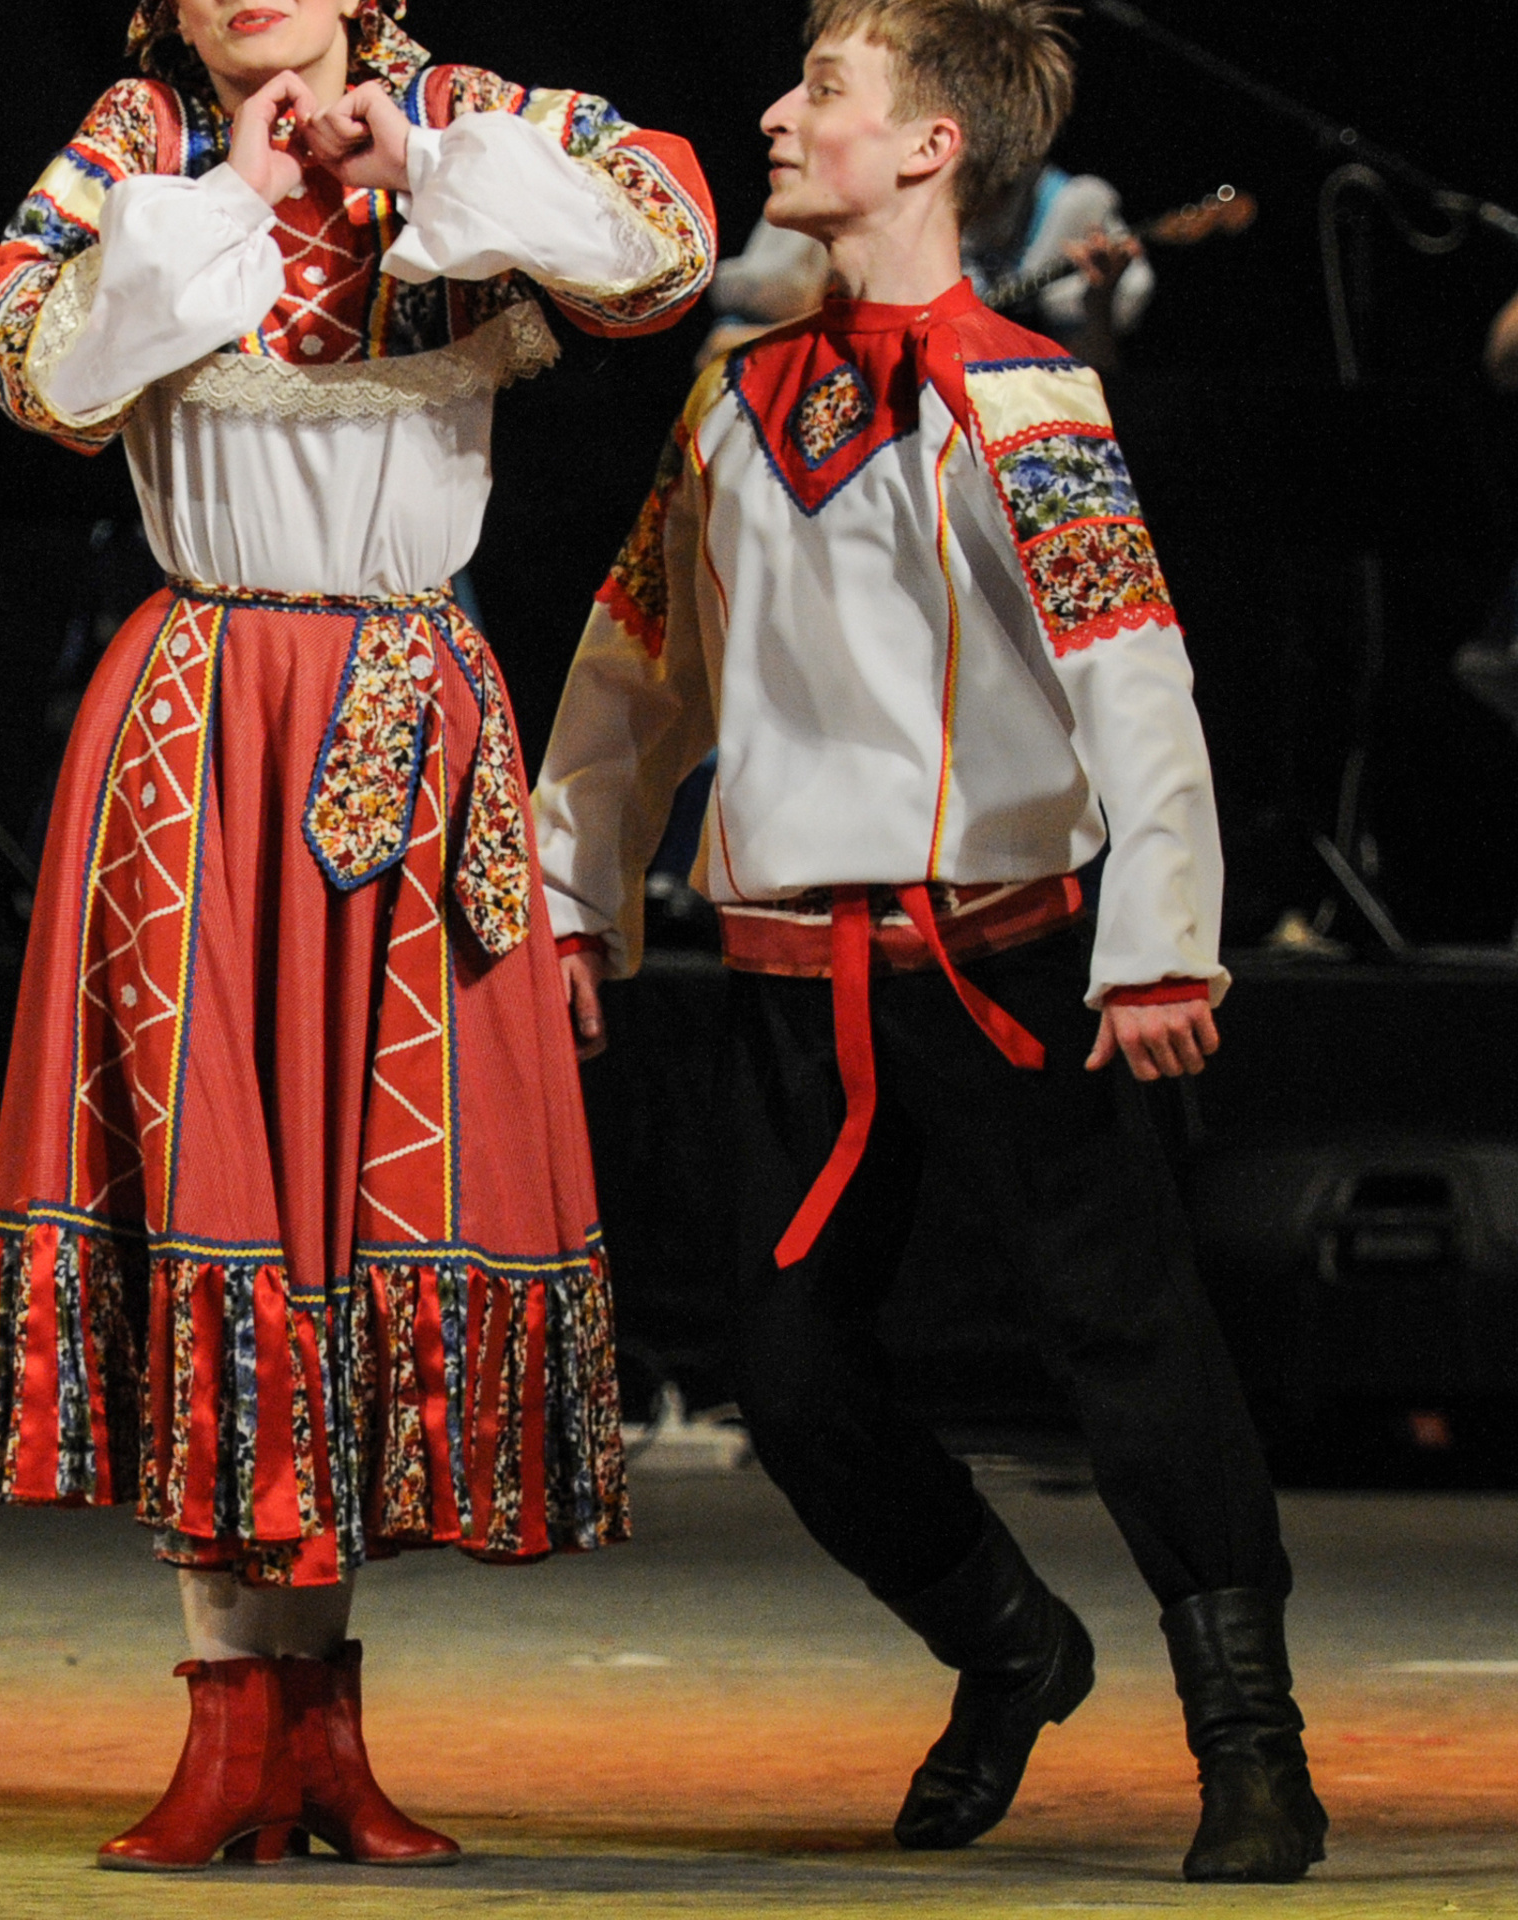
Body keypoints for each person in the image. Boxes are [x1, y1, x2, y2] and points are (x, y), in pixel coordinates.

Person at [534, 0, 1324, 1886]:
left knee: (1128, 1346)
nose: (775, 112)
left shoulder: (1023, 396)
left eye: (822, 88)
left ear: (930, 148)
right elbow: (638, 665)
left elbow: (1135, 676)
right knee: (795, 1385)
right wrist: (579, 889)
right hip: (797, 973)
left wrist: (1159, 943)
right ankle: (1008, 1646)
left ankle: (1248, 1731)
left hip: (1002, 958)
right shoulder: (733, 399)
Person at [0, 0, 713, 1872]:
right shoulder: (140, 139)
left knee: (365, 1207)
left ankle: (322, 1728)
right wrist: (228, 202)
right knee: (222, 1189)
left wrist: (423, 165)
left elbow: (661, 244)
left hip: (406, 705)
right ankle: (232, 1720)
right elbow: (32, 358)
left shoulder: (459, 106)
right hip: (209, 709)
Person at [702, 166, 1148, 372]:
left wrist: (1100, 302)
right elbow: (719, 351)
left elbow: (1090, 378)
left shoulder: (1066, 208)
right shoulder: (854, 186)